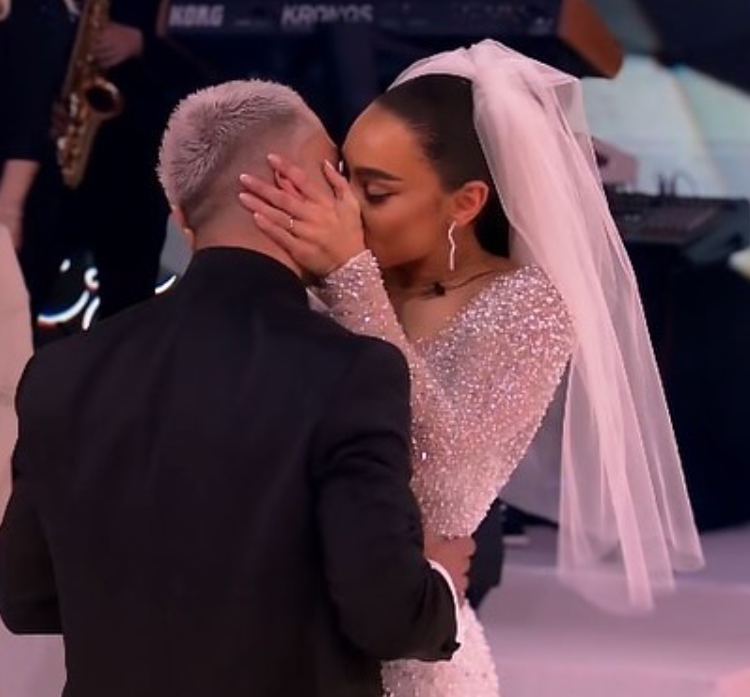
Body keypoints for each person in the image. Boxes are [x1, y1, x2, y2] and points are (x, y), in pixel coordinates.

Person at [238, 40, 705, 696]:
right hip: (288, 626)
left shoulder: (528, 304)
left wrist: (352, 282)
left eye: (376, 191)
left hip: (411, 644)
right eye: (344, 177)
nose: (347, 209)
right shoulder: (336, 277)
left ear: (465, 202)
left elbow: (447, 471)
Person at [0, 79, 473, 697]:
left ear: (181, 218)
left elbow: (26, 595)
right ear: (300, 189)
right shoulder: (353, 371)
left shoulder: (63, 371)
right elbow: (387, 613)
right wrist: (441, 583)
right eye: (338, 176)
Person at [21, 0, 205, 326]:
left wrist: (142, 42)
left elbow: (212, 63)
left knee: (126, 310)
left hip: (136, 166)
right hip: (57, 160)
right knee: (20, 295)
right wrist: (49, 105)